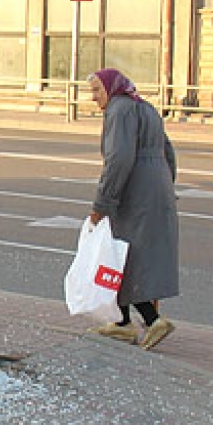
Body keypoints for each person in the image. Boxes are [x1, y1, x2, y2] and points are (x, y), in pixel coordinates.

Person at [86, 68, 179, 350]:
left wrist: (102, 203)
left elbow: (118, 160)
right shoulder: (145, 107)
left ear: (110, 89)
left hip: (133, 193)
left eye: (96, 91)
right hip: (155, 189)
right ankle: (123, 323)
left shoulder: (120, 110)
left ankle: (152, 321)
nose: (93, 98)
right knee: (127, 255)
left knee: (123, 257)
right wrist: (164, 187)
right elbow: (169, 154)